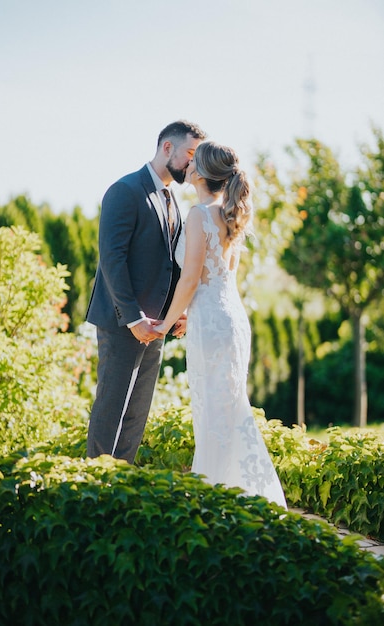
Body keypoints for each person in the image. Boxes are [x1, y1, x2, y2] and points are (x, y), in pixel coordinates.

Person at [154, 141, 287, 508]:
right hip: (231, 320)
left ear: (200, 172)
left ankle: (211, 499)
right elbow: (223, 278)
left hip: (212, 326)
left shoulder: (198, 215)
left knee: (213, 412)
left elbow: (192, 280)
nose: (187, 164)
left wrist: (164, 325)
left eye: (193, 161)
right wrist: (190, 312)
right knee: (228, 409)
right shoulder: (230, 215)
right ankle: (241, 496)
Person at [86, 120, 207, 463]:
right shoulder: (125, 190)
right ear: (167, 148)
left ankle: (121, 486)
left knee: (137, 413)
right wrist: (133, 318)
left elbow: (169, 265)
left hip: (156, 327)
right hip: (123, 322)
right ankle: (94, 488)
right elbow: (113, 259)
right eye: (190, 153)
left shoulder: (172, 200)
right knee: (111, 409)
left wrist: (176, 313)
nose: (193, 163)